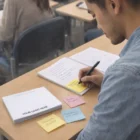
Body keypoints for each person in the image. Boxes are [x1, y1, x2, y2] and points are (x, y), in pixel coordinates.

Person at [77, 0, 140, 140]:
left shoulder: (126, 75)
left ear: (114, 4)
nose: (98, 26)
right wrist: (109, 82)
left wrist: (119, 84)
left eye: (93, 14)